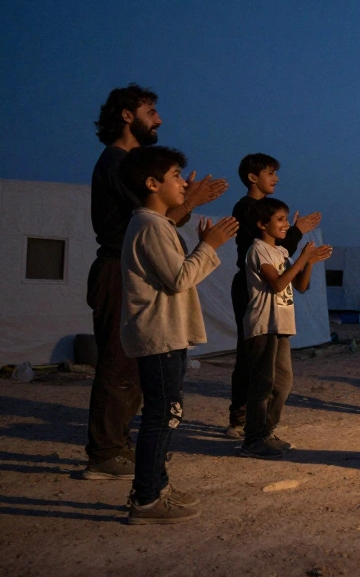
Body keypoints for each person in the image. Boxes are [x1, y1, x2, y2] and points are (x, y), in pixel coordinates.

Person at [83, 84, 226, 480]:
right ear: (127, 116)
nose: (158, 119)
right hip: (117, 270)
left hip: (129, 267)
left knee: (133, 367)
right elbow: (148, 218)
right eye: (150, 112)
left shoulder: (127, 165)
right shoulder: (116, 163)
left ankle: (119, 446)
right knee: (117, 362)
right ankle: (105, 452)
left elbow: (161, 220)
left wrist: (185, 204)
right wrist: (190, 203)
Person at [118, 145, 238, 523]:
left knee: (166, 413)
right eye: (175, 178)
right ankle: (146, 498)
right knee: (163, 415)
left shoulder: (158, 224)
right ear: (152, 183)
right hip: (159, 336)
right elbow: (179, 278)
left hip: (167, 335)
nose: (184, 184)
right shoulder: (150, 225)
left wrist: (200, 243)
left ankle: (157, 485)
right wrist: (210, 246)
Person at [225, 153, 320, 439]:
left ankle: (260, 423)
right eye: (270, 172)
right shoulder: (248, 209)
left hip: (276, 305)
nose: (275, 178)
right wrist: (298, 234)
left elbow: (284, 259)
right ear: (253, 177)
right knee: (253, 360)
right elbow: (271, 258)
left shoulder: (272, 238)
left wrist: (306, 258)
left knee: (277, 375)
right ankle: (243, 421)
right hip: (253, 289)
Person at [239, 197, 332, 459]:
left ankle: (267, 432)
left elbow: (299, 286)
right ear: (261, 224)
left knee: (283, 383)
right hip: (263, 324)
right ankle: (253, 439)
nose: (285, 225)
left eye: (286, 219)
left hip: (281, 324)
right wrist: (302, 257)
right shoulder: (257, 250)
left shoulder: (280, 252)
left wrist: (310, 261)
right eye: (280, 220)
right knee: (262, 384)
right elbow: (278, 284)